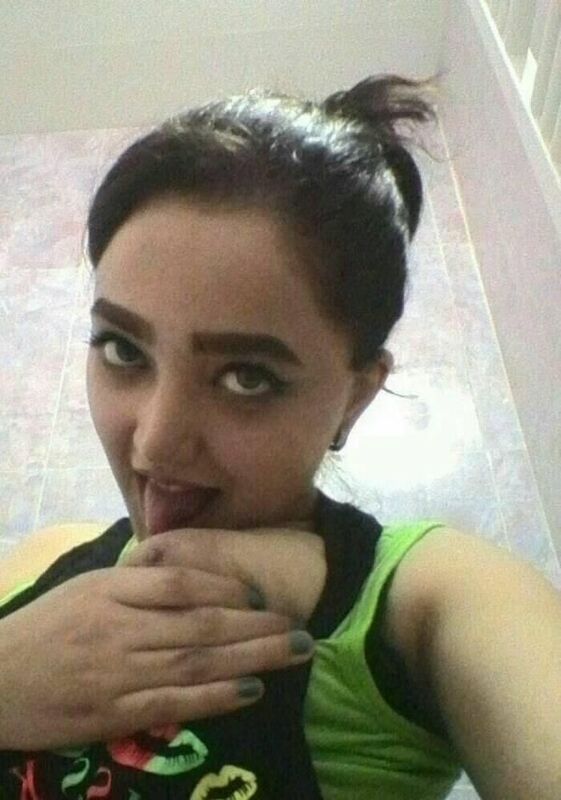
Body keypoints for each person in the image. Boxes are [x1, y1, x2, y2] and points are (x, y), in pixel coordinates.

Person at [0, 74, 560, 800]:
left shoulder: (430, 600)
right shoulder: (50, 557)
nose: (156, 443)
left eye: (246, 377)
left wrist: (330, 582)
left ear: (355, 396)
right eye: (123, 349)